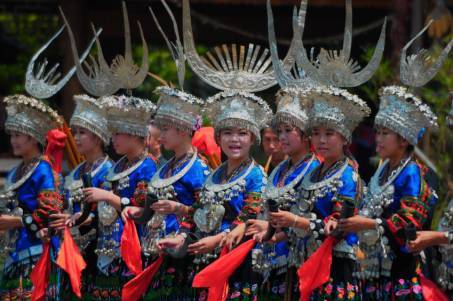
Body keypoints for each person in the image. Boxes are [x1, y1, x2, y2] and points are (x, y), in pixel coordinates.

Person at [338, 86, 439, 300]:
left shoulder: (412, 172)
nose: (378, 138)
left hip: (403, 271)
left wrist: (371, 224)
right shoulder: (382, 169)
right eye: (377, 132)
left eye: (385, 133)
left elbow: (411, 223)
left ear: (403, 139)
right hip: (373, 267)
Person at [123, 85, 210, 300]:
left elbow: (207, 212)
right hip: (155, 249)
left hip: (182, 253)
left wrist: (180, 209)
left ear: (182, 129)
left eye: (165, 129)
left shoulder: (198, 167)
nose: (160, 136)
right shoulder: (166, 166)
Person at [82, 95, 158, 300]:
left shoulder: (148, 166)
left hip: (133, 247)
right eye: (112, 134)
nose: (112, 139)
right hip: (107, 244)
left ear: (135, 134)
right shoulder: (118, 166)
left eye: (118, 134)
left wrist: (106, 196)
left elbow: (141, 209)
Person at [248, 88, 320, 300]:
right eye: (280, 131)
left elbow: (313, 219)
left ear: (305, 133)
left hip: (300, 262)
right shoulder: (279, 169)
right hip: (271, 260)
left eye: (288, 130)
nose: (282, 137)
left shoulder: (315, 169)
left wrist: (275, 228)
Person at [0, 95, 64, 300]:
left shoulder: (42, 169)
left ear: (33, 137)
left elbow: (49, 214)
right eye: (11, 135)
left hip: (35, 250)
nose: (13, 140)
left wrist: (15, 222)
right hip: (13, 250)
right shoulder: (14, 172)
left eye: (18, 135)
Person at [50, 94, 113, 299]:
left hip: (98, 251)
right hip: (70, 250)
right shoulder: (75, 172)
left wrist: (84, 219)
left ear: (97, 136)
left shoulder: (109, 171)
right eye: (74, 132)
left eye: (82, 132)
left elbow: (108, 214)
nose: (76, 138)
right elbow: (66, 209)